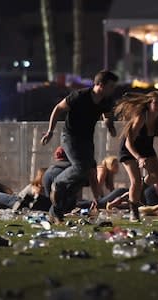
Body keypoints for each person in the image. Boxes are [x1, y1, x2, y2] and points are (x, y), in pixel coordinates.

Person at [40, 70, 119, 224]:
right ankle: (58, 182)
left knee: (87, 172)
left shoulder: (106, 100)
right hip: (70, 137)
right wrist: (50, 131)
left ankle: (55, 211)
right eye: (111, 86)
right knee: (81, 166)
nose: (112, 89)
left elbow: (107, 115)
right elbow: (58, 109)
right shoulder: (80, 96)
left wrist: (110, 126)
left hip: (87, 140)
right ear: (100, 85)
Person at [115, 91, 158, 221]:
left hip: (146, 147)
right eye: (155, 103)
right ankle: (134, 211)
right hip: (130, 149)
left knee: (157, 175)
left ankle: (138, 191)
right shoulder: (141, 116)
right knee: (135, 180)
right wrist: (139, 158)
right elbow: (129, 143)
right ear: (149, 103)